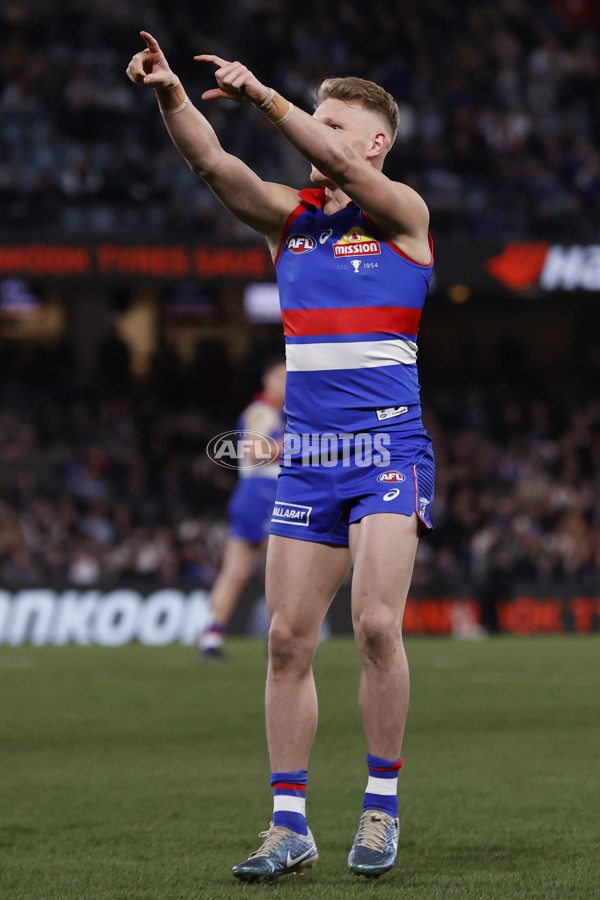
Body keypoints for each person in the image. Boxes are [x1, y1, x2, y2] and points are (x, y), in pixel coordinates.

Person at [127, 33, 435, 883]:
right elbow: (215, 169)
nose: (317, 138)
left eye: (335, 125)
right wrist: (170, 97)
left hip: (385, 451)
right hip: (308, 460)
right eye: (316, 118)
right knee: (288, 642)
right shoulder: (289, 221)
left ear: (372, 143)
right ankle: (288, 822)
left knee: (376, 624)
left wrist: (265, 95)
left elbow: (313, 147)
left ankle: (380, 808)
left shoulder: (403, 214)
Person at [199, 357, 286, 659]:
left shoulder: (270, 412)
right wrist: (294, 444)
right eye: (281, 377)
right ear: (267, 379)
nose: (286, 383)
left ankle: (211, 637)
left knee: (235, 572)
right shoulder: (264, 411)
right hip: (265, 493)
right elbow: (252, 450)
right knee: (282, 569)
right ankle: (279, 635)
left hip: (252, 494)